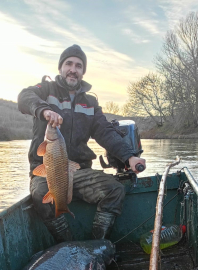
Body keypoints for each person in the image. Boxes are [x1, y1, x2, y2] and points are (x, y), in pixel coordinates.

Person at [17, 44, 146, 243]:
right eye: (68, 64)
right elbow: (24, 97)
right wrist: (44, 110)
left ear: (83, 71)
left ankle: (97, 245)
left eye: (78, 66)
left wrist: (129, 156)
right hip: (48, 171)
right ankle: (67, 245)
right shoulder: (45, 90)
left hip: (79, 172)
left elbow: (106, 132)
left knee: (115, 190)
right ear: (60, 67)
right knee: (40, 194)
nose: (73, 69)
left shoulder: (90, 103)